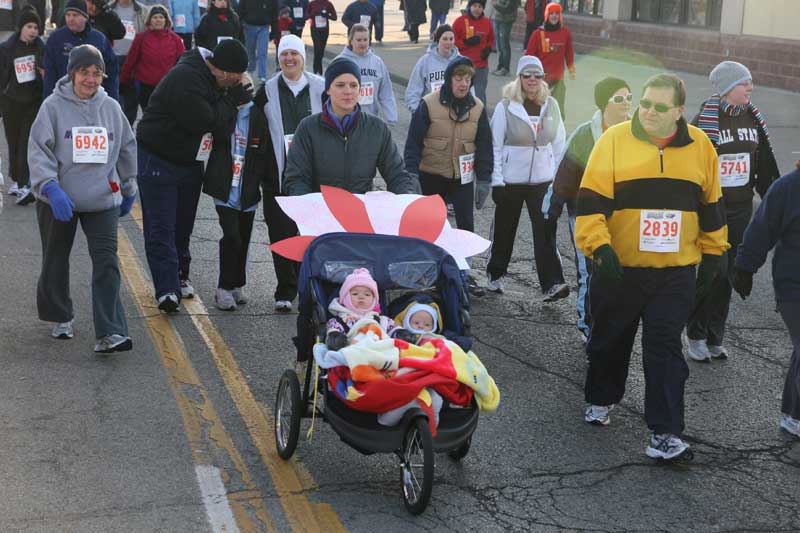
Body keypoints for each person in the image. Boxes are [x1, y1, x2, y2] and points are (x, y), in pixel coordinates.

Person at [575, 73, 728, 461]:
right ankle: (600, 398)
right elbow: (590, 203)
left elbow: (711, 207)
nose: (648, 112)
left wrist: (714, 255)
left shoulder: (701, 147)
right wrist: (600, 247)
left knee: (664, 350)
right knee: (610, 340)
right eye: (644, 103)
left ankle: (665, 433)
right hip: (619, 269)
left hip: (674, 274)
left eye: (660, 107)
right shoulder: (613, 141)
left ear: (679, 111)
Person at [28, 44, 138, 353]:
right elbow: (38, 149)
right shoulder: (52, 106)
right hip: (59, 199)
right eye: (84, 73)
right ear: (72, 73)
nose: (90, 80)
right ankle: (59, 315)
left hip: (101, 198)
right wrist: (49, 187)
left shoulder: (111, 108)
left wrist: (128, 184)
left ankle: (111, 332)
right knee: (56, 257)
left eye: (96, 74)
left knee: (107, 263)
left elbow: (127, 146)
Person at [136, 39, 251, 312]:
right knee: (161, 225)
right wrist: (231, 101)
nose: (232, 87)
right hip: (158, 157)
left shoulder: (210, 78)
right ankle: (166, 290)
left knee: (183, 223)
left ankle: (179, 275)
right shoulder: (186, 78)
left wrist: (227, 99)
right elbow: (209, 122)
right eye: (232, 81)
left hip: (189, 159)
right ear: (222, 72)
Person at [686, 61, 780, 363]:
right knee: (713, 271)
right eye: (745, 83)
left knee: (730, 274)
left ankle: (715, 336)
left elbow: (764, 162)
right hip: (712, 208)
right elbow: (689, 165)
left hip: (741, 209)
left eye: (750, 82)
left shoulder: (753, 118)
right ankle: (695, 334)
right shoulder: (705, 120)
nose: (750, 88)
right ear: (727, 90)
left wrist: (775, 200)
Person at [543, 76, 633, 340]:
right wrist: (551, 209)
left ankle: (612, 321)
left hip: (623, 215)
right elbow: (565, 172)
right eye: (619, 98)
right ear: (604, 102)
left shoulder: (635, 133)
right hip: (583, 212)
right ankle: (587, 325)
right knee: (589, 270)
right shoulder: (585, 133)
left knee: (620, 270)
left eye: (629, 97)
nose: (626, 103)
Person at [403, 57, 492, 296]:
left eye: (467, 79)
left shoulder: (478, 108)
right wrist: (410, 174)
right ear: (449, 79)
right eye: (458, 78)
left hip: (461, 178)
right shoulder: (428, 104)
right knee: (428, 226)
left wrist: (484, 179)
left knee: (465, 225)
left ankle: (464, 273)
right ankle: (424, 270)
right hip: (431, 174)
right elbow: (412, 143)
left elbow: (485, 146)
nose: (463, 84)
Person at [486, 55, 567, 302]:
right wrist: (497, 181)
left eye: (537, 75)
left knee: (545, 232)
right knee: (504, 230)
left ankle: (552, 284)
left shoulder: (551, 105)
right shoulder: (505, 107)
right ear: (519, 78)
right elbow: (495, 146)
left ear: (543, 79)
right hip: (511, 181)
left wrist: (557, 181)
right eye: (527, 75)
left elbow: (559, 144)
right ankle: (495, 274)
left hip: (542, 182)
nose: (532, 79)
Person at [732, 162, 800, 439]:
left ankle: (792, 415)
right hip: (794, 287)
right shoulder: (789, 187)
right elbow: (762, 228)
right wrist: (745, 267)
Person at [283, 57, 417, 196]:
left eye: (353, 85)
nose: (348, 91)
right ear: (328, 89)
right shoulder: (308, 128)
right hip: (320, 213)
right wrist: (310, 208)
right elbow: (296, 178)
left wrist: (406, 196)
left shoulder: (377, 128)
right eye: (340, 85)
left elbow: (397, 174)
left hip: (361, 213)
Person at [203, 75, 276, 310]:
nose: (244, 92)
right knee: (231, 236)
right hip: (225, 188)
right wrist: (229, 105)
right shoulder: (225, 109)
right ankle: (223, 287)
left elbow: (264, 149)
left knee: (243, 239)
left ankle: (236, 284)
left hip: (248, 189)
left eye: (248, 87)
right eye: (239, 87)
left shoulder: (258, 115)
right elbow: (215, 131)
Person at [263, 33, 323, 312]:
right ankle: (284, 289)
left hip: (315, 176)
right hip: (278, 173)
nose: (289, 59)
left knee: (310, 232)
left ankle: (308, 285)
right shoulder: (267, 89)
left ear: (303, 58)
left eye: (294, 54)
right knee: (281, 232)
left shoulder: (320, 87)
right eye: (284, 54)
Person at [0, 6, 44, 206]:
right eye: (29, 26)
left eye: (36, 27)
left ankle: (26, 183)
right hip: (11, 102)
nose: (33, 30)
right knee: (13, 141)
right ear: (21, 28)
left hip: (32, 103)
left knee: (26, 143)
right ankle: (17, 180)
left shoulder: (41, 48)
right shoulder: (7, 48)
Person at [43, 0, 119, 100]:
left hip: (93, 99)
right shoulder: (56, 39)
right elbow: (49, 74)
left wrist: (112, 100)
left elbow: (111, 73)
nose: (70, 19)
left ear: (85, 17)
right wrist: (49, 100)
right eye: (68, 15)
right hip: (64, 99)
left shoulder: (99, 39)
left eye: (75, 15)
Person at [324, 268, 411, 350]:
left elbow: (392, 328)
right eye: (355, 294)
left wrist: (400, 334)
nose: (361, 297)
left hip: (381, 352)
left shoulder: (381, 320)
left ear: (374, 300)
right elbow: (333, 329)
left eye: (367, 295)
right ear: (345, 298)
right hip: (353, 351)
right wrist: (336, 338)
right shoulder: (341, 320)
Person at [120, 5, 185, 110]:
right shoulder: (141, 38)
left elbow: (182, 63)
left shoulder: (176, 40)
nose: (158, 20)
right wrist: (123, 80)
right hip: (145, 86)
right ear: (149, 20)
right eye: (154, 17)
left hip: (167, 86)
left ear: (166, 20)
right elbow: (130, 61)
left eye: (161, 17)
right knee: (149, 114)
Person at [335, 24, 397, 125]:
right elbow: (329, 92)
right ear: (351, 41)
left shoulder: (377, 62)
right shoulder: (340, 62)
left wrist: (391, 117)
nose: (362, 43)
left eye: (365, 40)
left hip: (370, 120)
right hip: (345, 120)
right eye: (358, 40)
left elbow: (386, 92)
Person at [525, 1, 572, 119]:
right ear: (547, 16)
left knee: (557, 111)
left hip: (558, 80)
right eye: (551, 13)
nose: (554, 16)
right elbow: (529, 56)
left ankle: (558, 134)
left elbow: (569, 53)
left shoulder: (565, 33)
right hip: (540, 79)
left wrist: (571, 70)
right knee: (535, 110)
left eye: (557, 13)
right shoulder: (538, 34)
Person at [404, 24, 461, 112]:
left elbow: (470, 91)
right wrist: (417, 112)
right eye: (445, 39)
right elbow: (413, 90)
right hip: (430, 115)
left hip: (454, 115)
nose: (448, 42)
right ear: (438, 40)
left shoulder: (461, 62)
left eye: (451, 39)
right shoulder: (425, 61)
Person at [110, 0, 148, 125]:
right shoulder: (109, 8)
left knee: (132, 99)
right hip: (112, 58)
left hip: (134, 60)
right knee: (113, 97)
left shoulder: (142, 10)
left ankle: (128, 128)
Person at [452, 0, 493, 105]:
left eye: (480, 6)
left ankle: (480, 118)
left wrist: (488, 50)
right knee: (461, 93)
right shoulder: (460, 21)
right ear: (470, 6)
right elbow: (452, 41)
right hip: (463, 65)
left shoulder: (487, 22)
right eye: (474, 6)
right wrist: (466, 42)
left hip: (481, 66)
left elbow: (491, 40)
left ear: (483, 8)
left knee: (479, 95)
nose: (477, 9)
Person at [238, 0, 277, 82]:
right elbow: (240, 9)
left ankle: (262, 76)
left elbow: (274, 13)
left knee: (262, 52)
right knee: (250, 52)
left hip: (264, 27)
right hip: (248, 26)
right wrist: (240, 27)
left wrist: (274, 31)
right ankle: (250, 71)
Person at [490, 0, 519, 77]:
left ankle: (505, 68)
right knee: (500, 45)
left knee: (504, 45)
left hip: (506, 20)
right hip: (498, 18)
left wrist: (495, 4)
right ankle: (500, 66)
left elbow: (508, 8)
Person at [306, 0, 335, 75]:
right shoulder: (312, 3)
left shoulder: (328, 3)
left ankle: (319, 68)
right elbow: (306, 15)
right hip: (315, 29)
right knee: (317, 49)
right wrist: (312, 15)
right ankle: (317, 71)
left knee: (321, 51)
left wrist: (327, 15)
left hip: (324, 30)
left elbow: (335, 17)